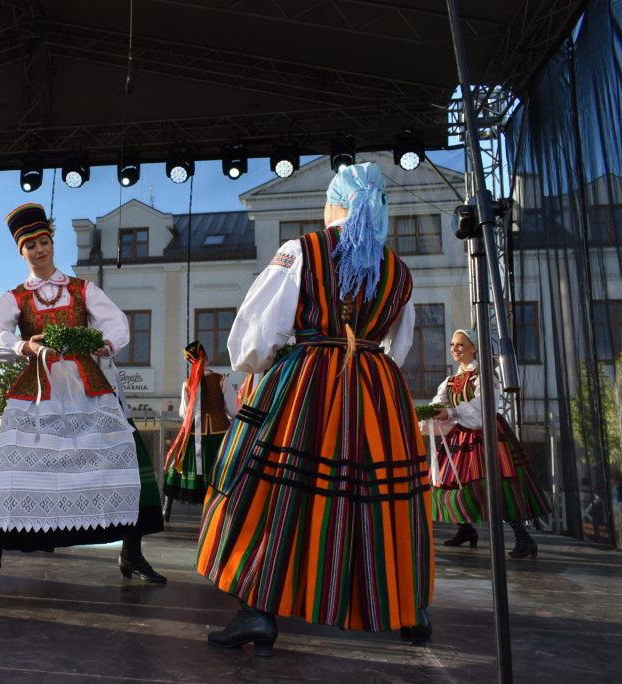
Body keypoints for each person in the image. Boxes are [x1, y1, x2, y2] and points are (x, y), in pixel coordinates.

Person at [197, 162, 433, 656]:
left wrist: (265, 364)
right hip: (375, 385)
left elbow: (256, 339)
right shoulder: (399, 269)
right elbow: (402, 344)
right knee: (382, 495)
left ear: (335, 202)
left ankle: (257, 611)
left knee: (272, 489)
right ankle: (410, 609)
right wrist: (369, 373)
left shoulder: (301, 249)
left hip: (309, 380)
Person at [0, 203, 165, 588]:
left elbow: (115, 323)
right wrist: (24, 346)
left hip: (87, 388)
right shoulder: (15, 298)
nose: (40, 250)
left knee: (117, 465)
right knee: (13, 473)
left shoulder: (81, 289)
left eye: (44, 241)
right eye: (31, 245)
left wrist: (105, 343)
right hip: (38, 393)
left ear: (52, 244)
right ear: (21, 252)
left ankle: (131, 552)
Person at [430, 329, 550, 558]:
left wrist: (451, 411)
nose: (454, 349)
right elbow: (440, 403)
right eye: (453, 345)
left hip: (487, 435)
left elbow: (483, 410)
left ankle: (524, 538)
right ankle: (465, 529)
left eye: (460, 345)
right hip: (462, 435)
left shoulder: (484, 376)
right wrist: (428, 412)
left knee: (499, 486)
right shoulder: (451, 381)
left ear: (474, 348)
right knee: (444, 482)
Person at [162, 340, 237, 518]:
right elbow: (234, 410)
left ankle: (167, 506)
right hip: (219, 433)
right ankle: (221, 509)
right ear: (207, 358)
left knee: (178, 466)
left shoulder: (188, 383)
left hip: (194, 433)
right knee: (222, 468)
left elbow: (183, 412)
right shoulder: (221, 379)